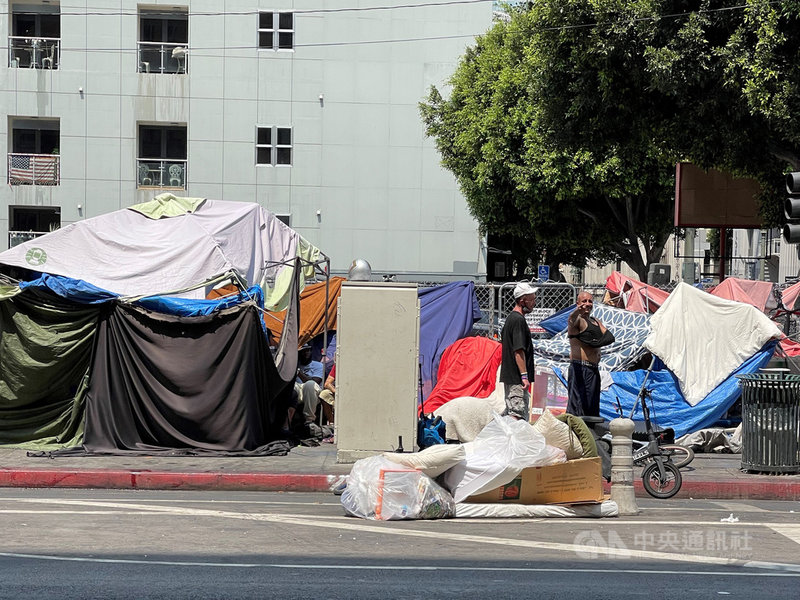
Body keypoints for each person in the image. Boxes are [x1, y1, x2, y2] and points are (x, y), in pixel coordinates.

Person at [566, 291, 615, 417]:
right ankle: (574, 434)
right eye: (584, 301)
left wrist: (594, 343)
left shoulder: (596, 321)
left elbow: (609, 337)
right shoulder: (577, 320)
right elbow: (571, 319)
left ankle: (590, 433)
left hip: (593, 369)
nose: (587, 304)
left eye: (590, 301)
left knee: (591, 407)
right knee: (578, 407)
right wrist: (578, 310)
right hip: (580, 367)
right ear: (577, 303)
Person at [499, 281, 537, 420]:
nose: (534, 302)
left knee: (514, 413)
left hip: (514, 377)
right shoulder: (517, 320)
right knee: (517, 415)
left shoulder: (512, 319)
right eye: (531, 299)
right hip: (516, 378)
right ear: (522, 300)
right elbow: (518, 351)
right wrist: (524, 376)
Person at [294, 344, 324, 429]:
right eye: (303, 351)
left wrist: (299, 373)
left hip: (313, 392)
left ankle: (309, 421)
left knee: (310, 384)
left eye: (308, 350)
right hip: (300, 391)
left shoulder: (318, 365)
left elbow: (316, 381)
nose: (306, 353)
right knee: (292, 387)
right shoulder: (295, 366)